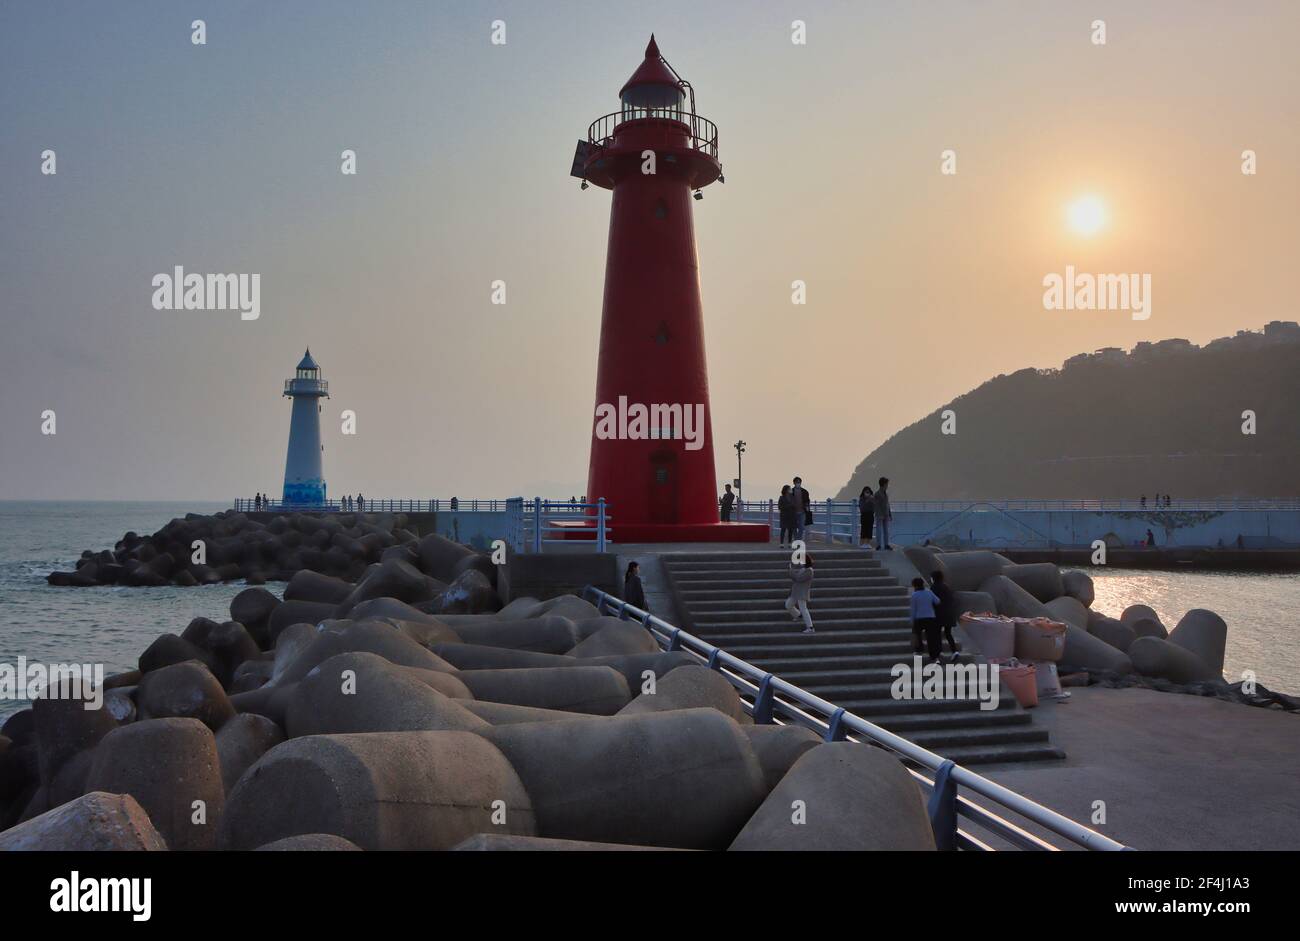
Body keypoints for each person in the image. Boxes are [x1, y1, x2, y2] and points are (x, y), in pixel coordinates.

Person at [910, 576, 943, 663]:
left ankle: (919, 650)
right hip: (930, 617)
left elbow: (913, 609)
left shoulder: (914, 595)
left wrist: (911, 620)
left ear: (915, 586)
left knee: (918, 635)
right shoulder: (929, 592)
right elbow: (938, 601)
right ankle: (934, 657)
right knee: (931, 638)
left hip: (919, 618)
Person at [930, 570, 960, 656]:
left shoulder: (934, 587)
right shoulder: (946, 587)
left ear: (933, 578)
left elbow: (933, 601)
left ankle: (940, 651)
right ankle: (954, 651)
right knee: (948, 633)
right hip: (949, 614)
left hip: (939, 614)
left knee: (937, 633)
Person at [786, 553, 815, 634]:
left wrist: (791, 571)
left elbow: (798, 579)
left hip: (802, 593)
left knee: (803, 609)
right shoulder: (803, 569)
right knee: (788, 605)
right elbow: (796, 579)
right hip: (796, 592)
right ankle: (798, 616)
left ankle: (810, 627)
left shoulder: (809, 571)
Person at [872, 477, 893, 551]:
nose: (887, 486)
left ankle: (886, 544)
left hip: (886, 514)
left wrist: (889, 514)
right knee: (879, 530)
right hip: (880, 515)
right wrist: (881, 514)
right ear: (883, 484)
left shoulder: (886, 494)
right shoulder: (877, 494)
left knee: (886, 530)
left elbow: (887, 505)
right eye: (887, 484)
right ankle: (878, 545)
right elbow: (876, 505)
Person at [791, 477, 811, 543]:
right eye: (796, 482)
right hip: (793, 512)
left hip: (802, 512)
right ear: (794, 483)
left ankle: (799, 540)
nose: (798, 483)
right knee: (794, 526)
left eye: (799, 482)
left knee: (801, 527)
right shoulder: (791, 491)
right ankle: (796, 539)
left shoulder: (805, 491)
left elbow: (808, 501)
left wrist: (807, 507)